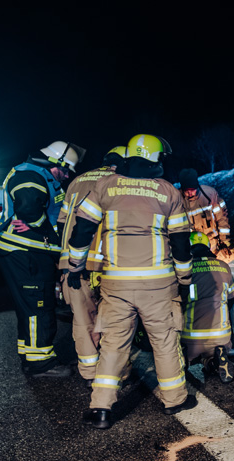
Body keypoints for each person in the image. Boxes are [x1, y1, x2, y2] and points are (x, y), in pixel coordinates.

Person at [67, 134, 194, 429]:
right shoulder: (168, 193)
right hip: (159, 286)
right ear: (153, 158)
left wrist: (75, 266)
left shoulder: (105, 187)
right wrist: (185, 279)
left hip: (116, 285)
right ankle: (175, 400)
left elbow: (82, 230)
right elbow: (181, 243)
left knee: (113, 344)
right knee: (164, 341)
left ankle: (100, 409)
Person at [0, 141, 85, 378]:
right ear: (56, 162)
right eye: (65, 170)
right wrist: (45, 231)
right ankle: (41, 363)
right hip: (27, 252)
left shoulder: (36, 174)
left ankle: (30, 356)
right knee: (38, 305)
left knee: (30, 307)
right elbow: (30, 209)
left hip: (26, 253)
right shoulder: (31, 175)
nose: (65, 176)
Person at [58, 146, 126, 387]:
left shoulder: (76, 181)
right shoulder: (119, 182)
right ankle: (114, 373)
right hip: (106, 263)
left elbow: (63, 222)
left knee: (82, 318)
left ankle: (89, 373)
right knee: (114, 319)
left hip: (71, 262)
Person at [181, 231, 234, 384]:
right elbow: (231, 297)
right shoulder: (224, 267)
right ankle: (214, 359)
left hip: (191, 339)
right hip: (222, 337)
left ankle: (187, 358)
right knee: (210, 357)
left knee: (182, 358)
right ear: (208, 246)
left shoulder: (185, 269)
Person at [178, 168, 232, 261]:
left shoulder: (210, 195)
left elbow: (222, 220)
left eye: (193, 190)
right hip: (191, 250)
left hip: (214, 247)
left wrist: (225, 243)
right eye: (187, 190)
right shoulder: (177, 200)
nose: (190, 193)